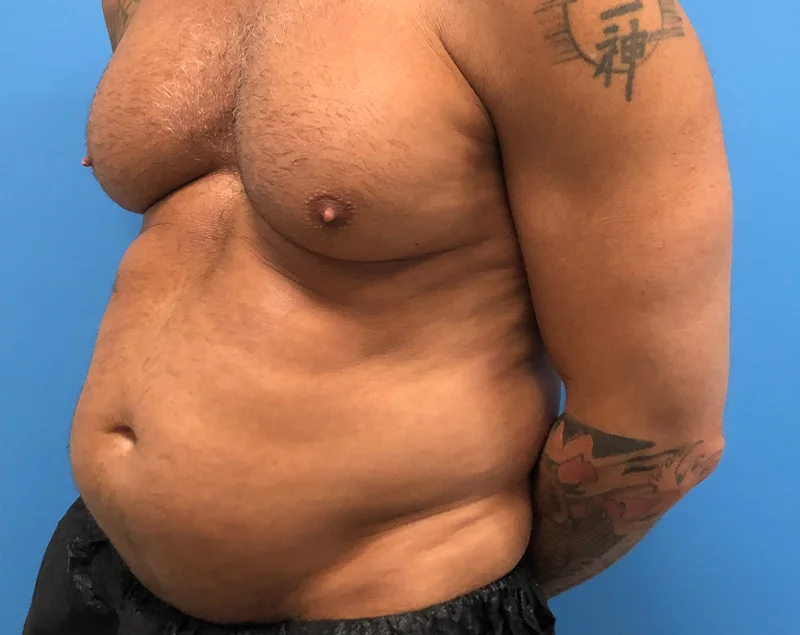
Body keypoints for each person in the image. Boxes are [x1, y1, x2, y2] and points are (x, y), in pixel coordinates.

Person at [23, 0, 731, 633]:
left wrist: (470, 598)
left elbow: (657, 431)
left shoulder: (582, 17)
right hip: (97, 567)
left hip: (389, 606)